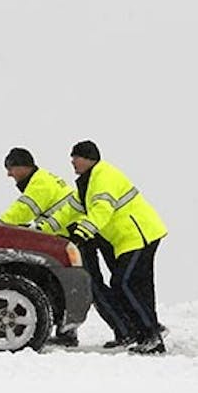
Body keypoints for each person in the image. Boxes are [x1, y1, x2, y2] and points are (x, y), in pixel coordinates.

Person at [66, 140, 168, 354]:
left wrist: (82, 233)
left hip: (139, 235)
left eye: (76, 157)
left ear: (89, 158)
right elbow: (69, 211)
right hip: (128, 239)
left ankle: (152, 336)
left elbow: (102, 210)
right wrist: (41, 229)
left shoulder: (103, 176)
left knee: (124, 283)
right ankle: (148, 332)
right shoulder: (87, 183)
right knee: (138, 286)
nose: (72, 161)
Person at [0, 147, 86, 346]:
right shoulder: (42, 179)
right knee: (72, 283)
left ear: (22, 167)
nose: (8, 174)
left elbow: (22, 210)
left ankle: (124, 329)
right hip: (68, 234)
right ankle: (68, 332)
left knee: (80, 284)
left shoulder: (39, 183)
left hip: (73, 235)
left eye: (10, 168)